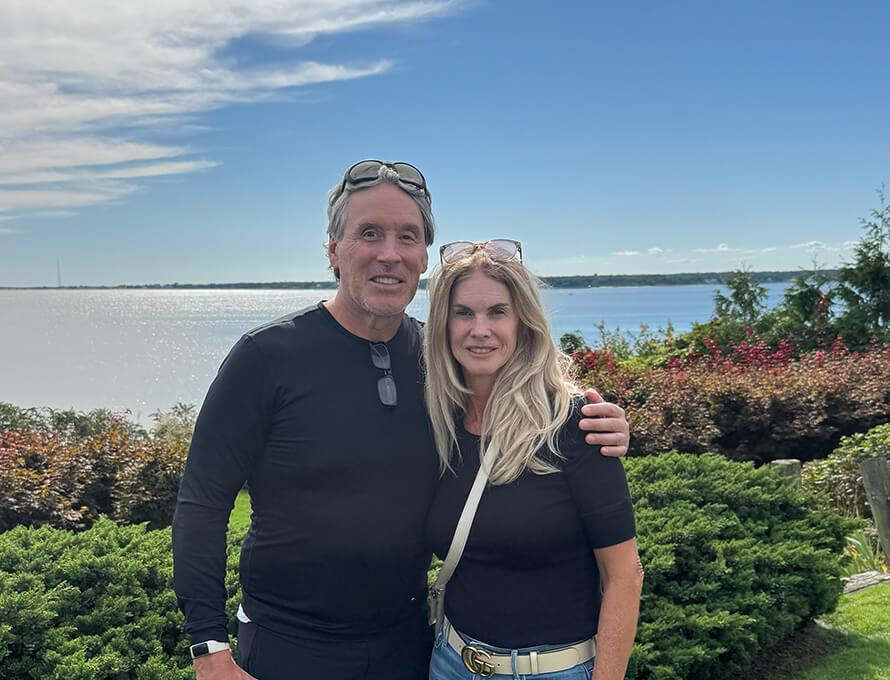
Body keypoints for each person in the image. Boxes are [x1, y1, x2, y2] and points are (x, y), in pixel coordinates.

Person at [172, 161, 632, 680]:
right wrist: (209, 650)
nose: (388, 253)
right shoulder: (266, 358)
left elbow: (516, 396)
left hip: (411, 647)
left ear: (422, 259)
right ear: (333, 249)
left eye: (407, 237)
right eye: (369, 233)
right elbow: (202, 504)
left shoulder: (437, 360)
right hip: (289, 648)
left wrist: (597, 420)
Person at [424, 240, 643, 680]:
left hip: (551, 671)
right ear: (442, 325)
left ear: (523, 322)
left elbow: (625, 574)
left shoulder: (572, 424)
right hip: (451, 663)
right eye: (463, 312)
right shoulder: (438, 420)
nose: (479, 329)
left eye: (497, 312)